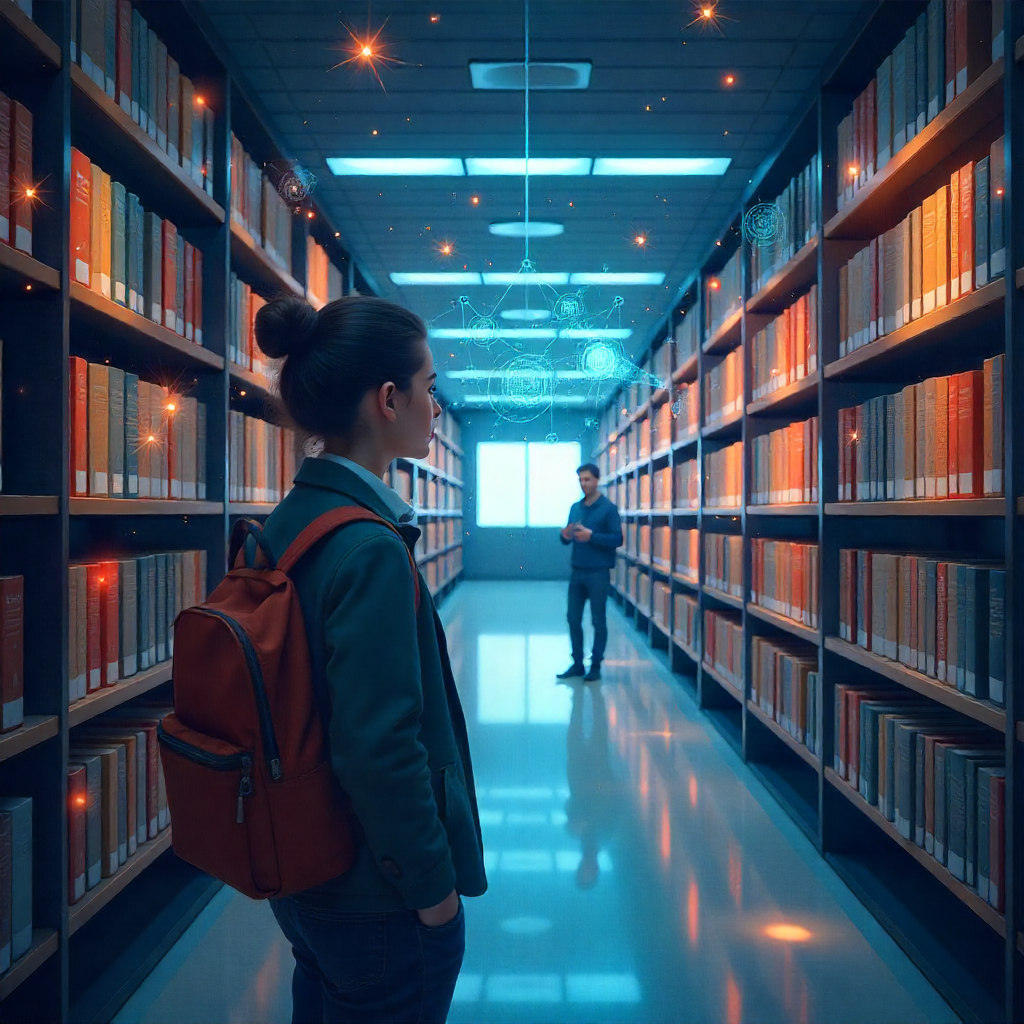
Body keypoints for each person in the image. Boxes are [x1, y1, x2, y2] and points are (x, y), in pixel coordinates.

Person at [254, 294, 487, 1024]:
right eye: (429, 386)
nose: (436, 407)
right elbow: (380, 748)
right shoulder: (370, 548)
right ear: (389, 400)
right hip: (374, 892)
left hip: (303, 866)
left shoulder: (287, 523)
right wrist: (433, 892)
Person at [557, 463, 624, 682]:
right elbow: (567, 539)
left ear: (596, 480)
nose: (583, 484)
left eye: (587, 479)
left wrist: (592, 536)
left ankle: (595, 665)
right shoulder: (575, 508)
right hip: (577, 571)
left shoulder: (608, 509)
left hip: (598, 573)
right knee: (572, 618)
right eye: (580, 480)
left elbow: (617, 539)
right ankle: (577, 663)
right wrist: (565, 536)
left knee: (598, 621)